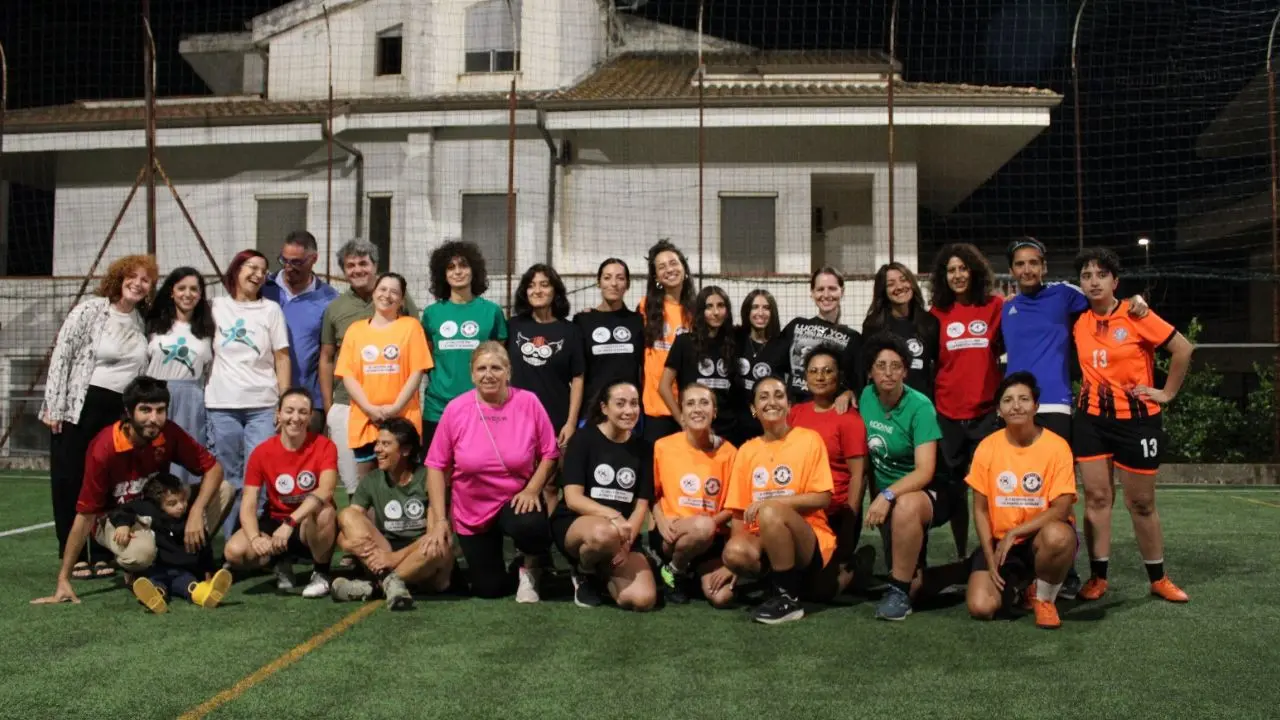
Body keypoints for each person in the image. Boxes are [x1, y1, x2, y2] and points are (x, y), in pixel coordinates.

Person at [1002, 237, 1148, 597]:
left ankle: (1065, 570)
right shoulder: (1006, 308)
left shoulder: (1064, 295)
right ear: (1011, 270)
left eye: (1033, 262)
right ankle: (1019, 565)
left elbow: (1105, 300)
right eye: (1020, 264)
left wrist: (1135, 300)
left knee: (1057, 490)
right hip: (1015, 408)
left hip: (1054, 405)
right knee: (1018, 489)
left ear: (1044, 266)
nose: (1027, 269)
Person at [33, 377, 231, 606]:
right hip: (117, 520)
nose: (154, 418)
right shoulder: (104, 447)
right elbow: (86, 514)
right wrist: (64, 578)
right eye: (145, 410)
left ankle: (181, 558)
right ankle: (152, 568)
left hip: (157, 511)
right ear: (128, 412)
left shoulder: (168, 432)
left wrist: (196, 512)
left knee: (224, 490)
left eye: (160, 410)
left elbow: (214, 469)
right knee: (141, 554)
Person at [1071, 247, 1194, 603]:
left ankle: (1158, 578)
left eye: (1101, 275)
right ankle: (1098, 577)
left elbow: (1183, 349)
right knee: (1097, 498)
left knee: (1140, 502)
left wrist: (1167, 393)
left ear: (1115, 281)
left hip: (1138, 422)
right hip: (1091, 421)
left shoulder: (1137, 313)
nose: (1094, 282)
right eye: (1086, 276)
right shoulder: (1077, 319)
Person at [42, 254, 158, 580]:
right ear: (119, 279)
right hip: (81, 405)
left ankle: (104, 550)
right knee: (70, 480)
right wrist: (53, 405)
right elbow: (62, 355)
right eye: (132, 277)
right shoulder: (90, 310)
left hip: (119, 411)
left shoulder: (141, 321)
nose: (138, 284)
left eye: (145, 280)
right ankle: (75, 553)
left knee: (108, 481)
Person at [425, 342, 558, 602]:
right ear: (472, 374)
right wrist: (440, 519)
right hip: (472, 510)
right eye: (481, 368)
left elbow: (550, 452)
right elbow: (435, 465)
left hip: (516, 501)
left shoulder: (528, 402)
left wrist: (532, 489)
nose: (489, 375)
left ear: (508, 372)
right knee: (489, 589)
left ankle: (531, 568)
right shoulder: (456, 409)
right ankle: (509, 566)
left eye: (496, 368)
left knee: (530, 525)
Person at [966, 372, 1078, 630]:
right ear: (999, 410)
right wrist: (989, 555)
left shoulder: (1057, 446)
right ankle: (1022, 585)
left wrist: (1015, 532)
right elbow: (980, 510)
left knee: (1058, 536)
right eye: (1008, 400)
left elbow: (1061, 509)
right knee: (981, 607)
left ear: (1036, 406)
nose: (1016, 406)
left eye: (1024, 399)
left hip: (1039, 539)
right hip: (1002, 544)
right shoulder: (987, 447)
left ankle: (1045, 599)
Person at [721, 376, 837, 624]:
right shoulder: (747, 450)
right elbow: (739, 513)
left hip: (808, 536)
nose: (771, 402)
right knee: (734, 552)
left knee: (771, 511)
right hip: (762, 536)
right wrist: (734, 567)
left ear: (789, 405)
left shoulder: (809, 439)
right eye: (763, 397)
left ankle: (787, 599)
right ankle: (775, 582)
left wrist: (774, 504)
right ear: (754, 409)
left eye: (778, 396)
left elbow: (823, 497)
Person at [859, 333, 949, 621]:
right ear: (870, 372)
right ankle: (943, 573)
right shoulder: (865, 396)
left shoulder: (920, 407)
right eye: (881, 365)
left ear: (905, 371)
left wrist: (886, 495)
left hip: (927, 491)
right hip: (888, 494)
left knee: (907, 507)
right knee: (914, 578)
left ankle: (898, 593)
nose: (888, 372)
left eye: (896, 366)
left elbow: (925, 471)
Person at [320, 239, 420, 498]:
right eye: (350, 265)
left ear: (375, 266)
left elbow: (417, 352)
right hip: (349, 405)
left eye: (363, 263)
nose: (357, 270)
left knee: (399, 479)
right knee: (357, 486)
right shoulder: (336, 308)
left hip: (397, 406)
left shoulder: (400, 301)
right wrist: (330, 406)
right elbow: (328, 358)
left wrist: (398, 404)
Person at [551, 381, 658, 611]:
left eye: (634, 404)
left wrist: (626, 545)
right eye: (620, 404)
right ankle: (583, 571)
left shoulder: (644, 449)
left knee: (642, 600)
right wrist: (614, 516)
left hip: (621, 534)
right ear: (604, 408)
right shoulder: (583, 439)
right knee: (604, 533)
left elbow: (641, 505)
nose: (629, 410)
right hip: (578, 524)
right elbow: (573, 498)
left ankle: (603, 572)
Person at [207, 249, 291, 538]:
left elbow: (282, 357)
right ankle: (228, 539)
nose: (257, 274)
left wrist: (283, 402)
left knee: (259, 474)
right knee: (227, 476)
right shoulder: (215, 307)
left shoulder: (271, 310)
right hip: (221, 404)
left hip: (263, 405)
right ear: (236, 269)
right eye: (251, 267)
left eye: (263, 271)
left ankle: (248, 538)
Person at [223, 388, 339, 598]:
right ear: (278, 414)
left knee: (325, 512)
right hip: (276, 522)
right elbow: (249, 503)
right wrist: (255, 538)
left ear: (310, 417)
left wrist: (290, 523)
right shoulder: (262, 452)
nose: (296, 418)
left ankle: (321, 573)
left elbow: (326, 490)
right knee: (234, 551)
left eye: (303, 412)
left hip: (306, 525)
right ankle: (279, 561)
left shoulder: (325, 446)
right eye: (289, 411)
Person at [928, 243, 1003, 560]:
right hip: (947, 414)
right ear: (943, 276)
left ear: (974, 271)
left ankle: (996, 554)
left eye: (962, 268)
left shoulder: (995, 307)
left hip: (986, 414)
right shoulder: (936, 315)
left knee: (990, 489)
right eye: (951, 270)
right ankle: (961, 555)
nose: (957, 275)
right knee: (955, 490)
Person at [333, 418, 453, 610]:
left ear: (405, 450)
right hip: (385, 551)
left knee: (437, 548)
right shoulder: (372, 480)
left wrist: (395, 558)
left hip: (419, 553)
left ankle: (377, 587)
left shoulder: (427, 478)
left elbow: (434, 536)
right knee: (347, 514)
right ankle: (392, 583)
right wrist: (347, 545)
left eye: (386, 444)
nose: (377, 449)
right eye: (377, 443)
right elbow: (347, 524)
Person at [788, 345, 873, 597]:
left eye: (828, 371)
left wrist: (849, 523)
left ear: (839, 376)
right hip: (801, 510)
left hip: (835, 514)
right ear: (805, 377)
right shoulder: (795, 414)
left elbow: (859, 475)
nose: (820, 377)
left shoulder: (849, 418)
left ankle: (858, 563)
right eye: (813, 371)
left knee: (821, 591)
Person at [335, 272, 432, 478]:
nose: (387, 295)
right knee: (369, 486)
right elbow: (347, 375)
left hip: (403, 421)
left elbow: (417, 371)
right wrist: (370, 409)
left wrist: (395, 408)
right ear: (374, 293)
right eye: (382, 289)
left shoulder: (411, 326)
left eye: (394, 292)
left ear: (402, 300)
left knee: (403, 484)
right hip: (365, 420)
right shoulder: (355, 330)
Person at [651, 383, 737, 607]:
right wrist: (660, 520)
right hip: (673, 533)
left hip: (711, 536)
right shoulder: (663, 447)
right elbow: (650, 494)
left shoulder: (730, 452)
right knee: (701, 527)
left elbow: (734, 506)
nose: (697, 409)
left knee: (722, 596)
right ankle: (675, 569)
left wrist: (710, 525)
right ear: (682, 413)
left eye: (704, 403)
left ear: (714, 412)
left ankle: (681, 571)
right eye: (690, 403)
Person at [507, 263, 585, 509]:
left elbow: (578, 378)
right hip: (516, 418)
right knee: (517, 480)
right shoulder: (513, 327)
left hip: (555, 417)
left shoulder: (570, 331)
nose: (537, 290)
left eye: (544, 284)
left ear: (555, 291)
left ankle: (549, 531)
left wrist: (571, 423)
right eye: (531, 286)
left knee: (550, 484)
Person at [420, 240, 507, 450]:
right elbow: (427, 357)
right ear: (443, 274)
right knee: (436, 468)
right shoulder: (431, 313)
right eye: (451, 267)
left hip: (481, 406)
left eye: (463, 266)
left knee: (478, 465)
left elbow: (499, 358)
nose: (458, 272)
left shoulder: (492, 312)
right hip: (438, 409)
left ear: (474, 270)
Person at [113, 473, 234, 613]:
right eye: (172, 503)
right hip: (155, 569)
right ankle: (154, 597)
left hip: (183, 572)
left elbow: (204, 546)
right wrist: (123, 524)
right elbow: (124, 510)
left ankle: (204, 595)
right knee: (153, 584)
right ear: (158, 504)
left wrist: (208, 570)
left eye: (183, 500)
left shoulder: (191, 520)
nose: (181, 506)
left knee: (190, 584)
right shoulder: (150, 511)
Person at [261, 230, 339, 432]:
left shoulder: (329, 299)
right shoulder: (264, 290)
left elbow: (329, 354)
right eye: (284, 260)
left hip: (308, 402)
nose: (288, 267)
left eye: (296, 262)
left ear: (314, 259)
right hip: (263, 399)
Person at [145, 267, 215, 485]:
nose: (188, 294)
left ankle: (186, 503)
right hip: (155, 395)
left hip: (191, 400)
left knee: (185, 461)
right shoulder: (153, 325)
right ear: (171, 292)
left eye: (194, 289)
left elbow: (209, 370)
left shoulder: (208, 330)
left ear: (201, 294)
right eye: (182, 288)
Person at [772, 267, 861, 409]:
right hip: (795, 410)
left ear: (842, 291)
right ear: (812, 293)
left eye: (832, 288)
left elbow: (858, 383)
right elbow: (774, 368)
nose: (826, 294)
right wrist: (780, 398)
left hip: (830, 412)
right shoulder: (796, 326)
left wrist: (849, 393)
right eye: (820, 289)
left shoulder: (853, 337)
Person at [660, 286, 740, 443]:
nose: (715, 312)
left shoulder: (734, 343)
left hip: (728, 430)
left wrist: (750, 415)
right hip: (694, 427)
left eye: (720, 306)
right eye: (709, 307)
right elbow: (664, 386)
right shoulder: (684, 342)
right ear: (700, 311)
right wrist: (682, 419)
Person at [574, 258, 644, 422]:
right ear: (599, 282)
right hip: (592, 411)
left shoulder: (637, 321)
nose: (614, 283)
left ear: (627, 284)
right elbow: (578, 373)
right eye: (607, 278)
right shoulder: (583, 320)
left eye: (620, 278)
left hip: (628, 412)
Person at [638, 240, 695, 444]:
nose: (669, 269)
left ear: (684, 268)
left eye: (673, 263)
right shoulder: (646, 307)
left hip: (690, 407)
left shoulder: (696, 311)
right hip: (657, 409)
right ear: (656, 277)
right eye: (662, 267)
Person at [862, 262, 938, 398]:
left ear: (912, 283)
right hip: (885, 402)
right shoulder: (873, 325)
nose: (899, 287)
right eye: (891, 284)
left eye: (904, 280)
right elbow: (866, 369)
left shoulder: (929, 322)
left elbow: (939, 366)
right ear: (883, 291)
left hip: (919, 402)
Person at [734, 289, 780, 442]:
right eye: (755, 307)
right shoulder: (735, 338)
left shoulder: (781, 345)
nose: (760, 313)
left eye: (766, 308)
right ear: (747, 311)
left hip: (765, 426)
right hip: (735, 424)